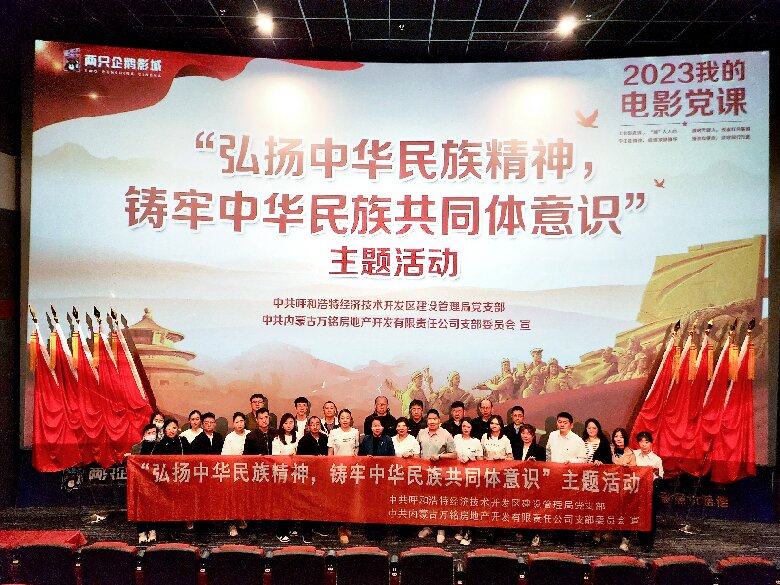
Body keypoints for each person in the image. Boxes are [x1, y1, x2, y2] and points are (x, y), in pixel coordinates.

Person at [417, 409, 456, 544]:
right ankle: (427, 526)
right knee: (426, 500)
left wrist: (440, 456)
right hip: (424, 473)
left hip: (440, 473)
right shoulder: (421, 433)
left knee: (440, 501)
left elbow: (454, 454)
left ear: (439, 420)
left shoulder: (446, 434)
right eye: (430, 419)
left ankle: (441, 529)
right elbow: (417, 451)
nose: (432, 421)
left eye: (435, 419)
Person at [358, 416, 395, 542]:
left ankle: (380, 532)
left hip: (382, 477)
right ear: (371, 427)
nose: (376, 428)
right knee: (369, 504)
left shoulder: (388, 439)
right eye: (374, 426)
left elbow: (392, 458)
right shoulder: (366, 439)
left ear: (383, 427)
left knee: (381, 504)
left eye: (379, 426)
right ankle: (369, 531)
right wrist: (366, 458)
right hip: (368, 478)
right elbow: (360, 456)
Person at [328, 408, 360, 544]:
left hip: (351, 471)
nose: (345, 420)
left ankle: (348, 525)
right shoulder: (334, 432)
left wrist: (356, 454)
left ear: (350, 419)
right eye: (342, 418)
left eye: (347, 417)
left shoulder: (355, 432)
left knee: (350, 499)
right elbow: (330, 452)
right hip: (338, 471)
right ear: (339, 419)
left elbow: (356, 448)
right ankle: (341, 528)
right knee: (339, 500)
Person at [452, 417, 483, 546]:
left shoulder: (476, 441)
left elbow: (481, 460)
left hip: (471, 477)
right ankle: (461, 528)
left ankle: (469, 533)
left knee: (471, 504)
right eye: (464, 426)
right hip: (457, 476)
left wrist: (470, 459)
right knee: (460, 503)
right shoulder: (456, 438)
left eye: (468, 427)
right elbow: (452, 454)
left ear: (472, 428)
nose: (465, 429)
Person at [272, 413, 299, 543]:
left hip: (294, 474)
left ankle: (290, 527)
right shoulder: (277, 439)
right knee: (282, 503)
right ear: (282, 425)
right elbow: (275, 458)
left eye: (291, 422)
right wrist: (288, 457)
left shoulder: (297, 436)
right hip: (282, 474)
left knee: (292, 502)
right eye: (286, 423)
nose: (289, 425)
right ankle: (281, 531)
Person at [635, 431, 663, 552]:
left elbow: (659, 476)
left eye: (646, 442)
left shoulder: (656, 459)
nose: (644, 445)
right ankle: (641, 538)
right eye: (641, 442)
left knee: (650, 518)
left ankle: (648, 543)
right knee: (638, 516)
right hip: (636, 491)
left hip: (650, 492)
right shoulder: (634, 455)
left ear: (651, 443)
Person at [518, 423, 546, 547]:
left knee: (534, 509)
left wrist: (533, 464)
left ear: (533, 435)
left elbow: (544, 467)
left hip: (533, 483)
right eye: (523, 433)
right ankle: (522, 531)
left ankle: (536, 534)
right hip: (518, 482)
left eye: (528, 434)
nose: (525, 436)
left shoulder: (539, 449)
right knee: (520, 507)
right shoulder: (516, 446)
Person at [222, 412, 249, 538]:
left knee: (243, 498)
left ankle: (241, 518)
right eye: (237, 422)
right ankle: (231, 524)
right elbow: (225, 457)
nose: (239, 424)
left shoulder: (249, 434)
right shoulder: (229, 438)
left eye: (241, 421)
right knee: (232, 499)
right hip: (233, 472)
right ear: (233, 424)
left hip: (248, 472)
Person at [611, 427, 636, 552]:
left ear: (625, 438)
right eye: (616, 436)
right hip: (609, 486)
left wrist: (628, 469)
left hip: (625, 488)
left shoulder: (631, 453)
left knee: (626, 513)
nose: (618, 439)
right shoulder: (609, 450)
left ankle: (626, 539)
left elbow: (636, 472)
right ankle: (610, 532)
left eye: (621, 436)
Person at [135, 424, 161, 543]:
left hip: (155, 481)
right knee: (140, 507)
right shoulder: (136, 448)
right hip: (139, 481)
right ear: (144, 434)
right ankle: (141, 532)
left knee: (153, 506)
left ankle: (152, 530)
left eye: (154, 432)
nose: (151, 435)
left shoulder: (160, 446)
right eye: (149, 432)